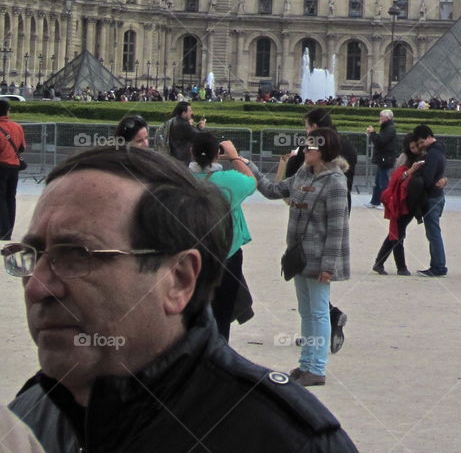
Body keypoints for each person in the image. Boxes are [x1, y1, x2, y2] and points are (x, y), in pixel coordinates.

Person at [5, 146, 356, 451]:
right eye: (32, 255)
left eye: (78, 255)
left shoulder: (289, 444)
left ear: (178, 279)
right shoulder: (24, 418)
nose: (36, 287)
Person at [258, 128, 350, 387]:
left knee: (319, 313)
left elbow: (337, 228)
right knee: (306, 312)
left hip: (319, 257)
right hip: (299, 254)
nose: (304, 150)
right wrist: (248, 167)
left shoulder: (335, 181)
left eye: (309, 146)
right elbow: (273, 190)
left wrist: (329, 266)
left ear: (323, 150)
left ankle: (317, 368)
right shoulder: (302, 173)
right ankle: (306, 363)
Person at [191, 132, 256, 339]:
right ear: (217, 155)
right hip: (227, 255)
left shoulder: (180, 178)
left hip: (191, 255)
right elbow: (252, 181)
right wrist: (235, 156)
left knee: (192, 316)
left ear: (190, 152)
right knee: (222, 316)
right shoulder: (230, 180)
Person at [372, 133, 422, 275]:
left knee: (396, 232)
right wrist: (410, 171)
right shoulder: (405, 158)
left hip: (409, 200)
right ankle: (401, 267)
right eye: (412, 147)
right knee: (398, 233)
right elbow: (396, 177)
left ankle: (379, 263)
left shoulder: (420, 156)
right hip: (400, 200)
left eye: (416, 146)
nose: (415, 149)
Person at [413, 124, 448, 277]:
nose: (420, 146)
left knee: (433, 233)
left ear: (428, 138)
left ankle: (438, 266)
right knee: (434, 233)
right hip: (438, 196)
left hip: (432, 197)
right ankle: (437, 265)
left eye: (421, 142)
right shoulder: (439, 150)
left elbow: (428, 179)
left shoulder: (432, 154)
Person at [0, 98, 26, 240]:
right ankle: (8, 230)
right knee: (11, 198)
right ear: (7, 111)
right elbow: (22, 148)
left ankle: (3, 230)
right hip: (14, 167)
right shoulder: (17, 127)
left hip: (1, 166)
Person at [366, 109, 398, 208]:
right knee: (378, 181)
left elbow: (380, 141)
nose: (380, 118)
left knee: (383, 182)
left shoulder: (389, 128)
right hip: (383, 158)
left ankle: (385, 203)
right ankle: (375, 201)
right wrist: (373, 134)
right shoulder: (387, 128)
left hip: (385, 158)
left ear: (387, 118)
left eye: (381, 116)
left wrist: (372, 133)